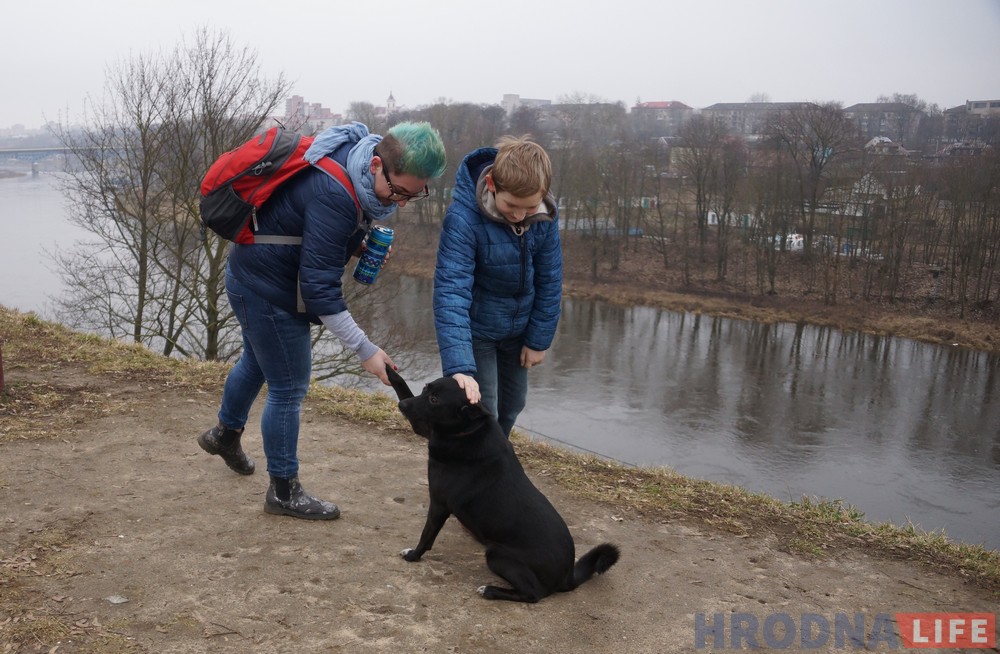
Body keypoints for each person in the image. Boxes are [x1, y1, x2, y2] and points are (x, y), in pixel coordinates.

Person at [198, 121, 448, 520]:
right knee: (289, 387)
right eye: (399, 191)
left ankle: (224, 435)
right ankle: (283, 490)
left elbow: (304, 229)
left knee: (257, 362)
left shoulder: (351, 156)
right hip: (269, 290)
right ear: (378, 164)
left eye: (414, 195)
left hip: (251, 275)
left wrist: (350, 242)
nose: (401, 203)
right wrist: (365, 350)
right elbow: (319, 291)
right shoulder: (337, 194)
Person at [433, 136, 562, 437]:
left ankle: (492, 457)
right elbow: (451, 291)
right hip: (477, 332)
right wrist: (460, 367)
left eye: (528, 208)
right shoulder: (463, 219)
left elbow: (550, 279)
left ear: (542, 196)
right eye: (512, 206)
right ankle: (474, 471)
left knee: (513, 404)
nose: (519, 216)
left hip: (518, 333)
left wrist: (538, 340)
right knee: (481, 407)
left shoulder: (544, 217)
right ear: (491, 184)